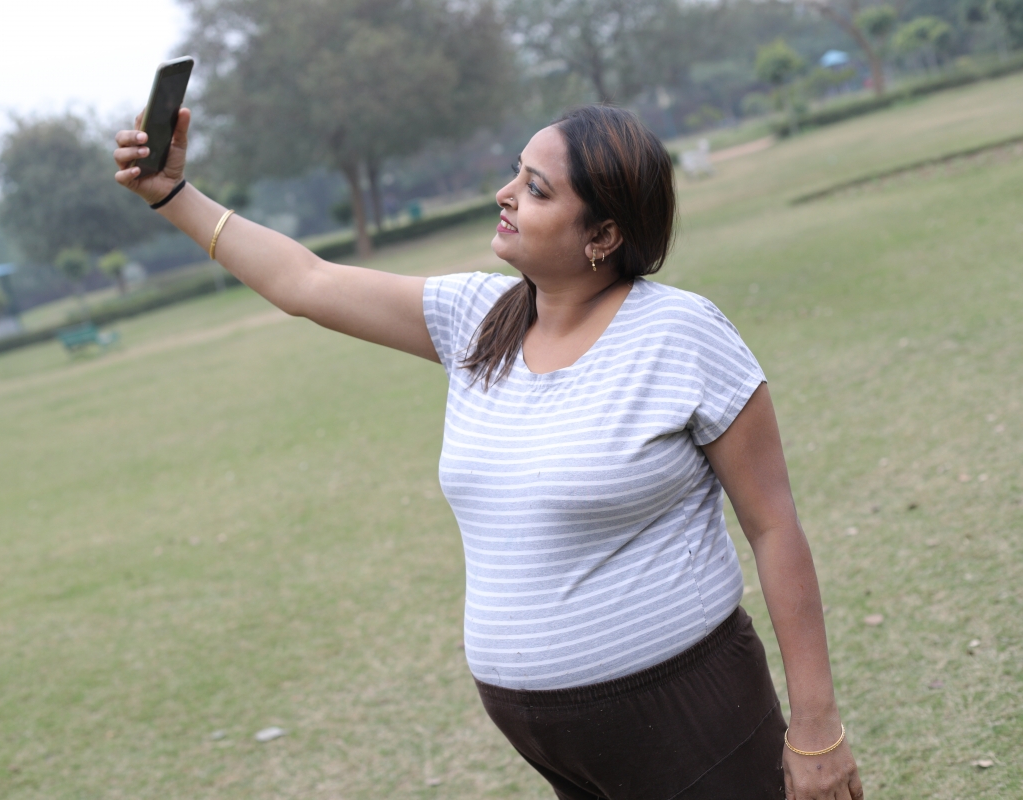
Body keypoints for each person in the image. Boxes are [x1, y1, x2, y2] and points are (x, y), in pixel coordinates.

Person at [113, 104, 863, 800]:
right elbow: (304, 282)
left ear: (602, 236)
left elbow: (773, 526)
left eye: (535, 190)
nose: (505, 194)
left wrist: (817, 727)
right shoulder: (475, 319)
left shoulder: (681, 335)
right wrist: (171, 193)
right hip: (550, 736)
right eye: (516, 173)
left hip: (688, 716)